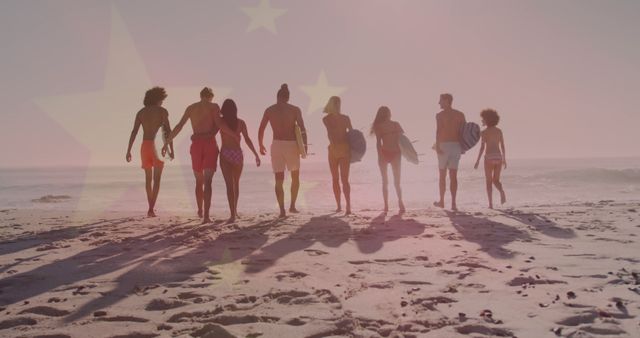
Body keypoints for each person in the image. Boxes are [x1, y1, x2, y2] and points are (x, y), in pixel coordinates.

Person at [164, 87, 238, 224]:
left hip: (196, 145)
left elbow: (179, 126)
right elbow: (220, 124)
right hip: (209, 145)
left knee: (199, 181)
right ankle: (206, 217)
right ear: (210, 96)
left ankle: (199, 210)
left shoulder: (191, 108)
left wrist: (167, 142)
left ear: (201, 95)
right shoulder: (213, 106)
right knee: (208, 181)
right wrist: (233, 134)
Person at [258, 84, 307, 218]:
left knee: (278, 179)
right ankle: (292, 206)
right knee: (295, 177)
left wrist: (260, 144)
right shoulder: (295, 109)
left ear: (277, 96)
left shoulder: (269, 110)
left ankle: (282, 210)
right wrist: (305, 146)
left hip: (276, 144)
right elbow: (302, 128)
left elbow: (261, 128)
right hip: (291, 144)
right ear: (288, 97)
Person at [125, 87, 174, 217]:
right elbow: (168, 131)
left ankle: (150, 208)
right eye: (162, 99)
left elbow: (134, 132)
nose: (162, 102)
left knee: (148, 180)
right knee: (156, 180)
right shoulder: (162, 111)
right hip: (156, 146)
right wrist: (170, 149)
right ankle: (151, 209)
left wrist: (128, 150)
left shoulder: (141, 112)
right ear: (158, 99)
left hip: (144, 146)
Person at [218, 98, 261, 223]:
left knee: (229, 185)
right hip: (237, 154)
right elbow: (247, 139)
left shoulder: (221, 122)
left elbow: (215, 119)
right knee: (236, 183)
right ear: (235, 110)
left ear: (223, 110)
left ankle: (232, 214)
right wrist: (255, 154)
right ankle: (235, 212)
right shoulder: (241, 123)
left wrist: (256, 154)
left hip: (225, 153)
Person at [433, 93, 466, 211]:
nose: (439, 103)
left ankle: (442, 201)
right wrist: (463, 147)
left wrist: (437, 146)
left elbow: (438, 131)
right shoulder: (460, 115)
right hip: (456, 146)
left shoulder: (440, 115)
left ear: (446, 101)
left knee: (442, 175)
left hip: (444, 146)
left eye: (440, 100)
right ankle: (453, 203)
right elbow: (464, 132)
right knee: (453, 175)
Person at [371, 106, 405, 213]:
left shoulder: (396, 124)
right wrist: (380, 155)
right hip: (389, 153)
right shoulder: (380, 126)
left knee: (390, 181)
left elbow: (403, 141)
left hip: (391, 154)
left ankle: (397, 203)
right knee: (392, 181)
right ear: (388, 113)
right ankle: (390, 204)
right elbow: (378, 142)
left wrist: (380, 156)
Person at [322, 96, 353, 215]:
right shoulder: (345, 118)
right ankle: (346, 206)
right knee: (343, 179)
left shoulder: (326, 119)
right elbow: (352, 133)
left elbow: (333, 130)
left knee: (337, 179)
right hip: (344, 149)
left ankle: (341, 206)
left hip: (335, 149)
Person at [474, 109, 507, 209]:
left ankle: (490, 204)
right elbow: (502, 146)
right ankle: (501, 192)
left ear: (487, 120)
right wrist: (504, 159)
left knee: (488, 182)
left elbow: (482, 148)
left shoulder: (484, 132)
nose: (482, 121)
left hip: (489, 157)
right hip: (498, 157)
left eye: (483, 119)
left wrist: (477, 161)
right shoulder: (499, 131)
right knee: (496, 180)